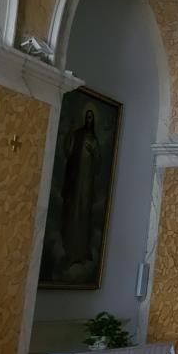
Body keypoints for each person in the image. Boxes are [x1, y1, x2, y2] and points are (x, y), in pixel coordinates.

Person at [60, 108, 100, 264]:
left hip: (86, 185)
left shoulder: (94, 140)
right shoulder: (77, 134)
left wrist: (93, 154)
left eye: (91, 117)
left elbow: (99, 163)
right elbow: (68, 151)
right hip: (75, 181)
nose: (88, 120)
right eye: (87, 117)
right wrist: (69, 134)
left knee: (84, 214)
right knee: (73, 213)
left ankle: (82, 251)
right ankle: (70, 250)